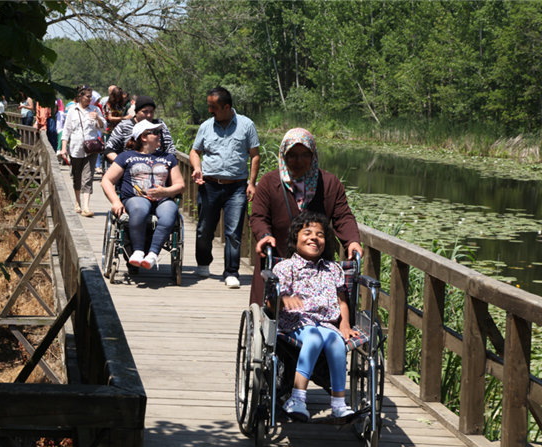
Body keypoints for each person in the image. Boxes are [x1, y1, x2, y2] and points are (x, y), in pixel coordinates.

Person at [249, 127, 363, 306]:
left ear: (313, 155)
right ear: (283, 156)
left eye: (305, 155)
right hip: (279, 259)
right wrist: (264, 235)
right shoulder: (269, 183)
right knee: (271, 312)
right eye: (292, 155)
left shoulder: (330, 184)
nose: (299, 161)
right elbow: (258, 217)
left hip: (318, 267)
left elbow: (343, 217)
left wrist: (352, 241)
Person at [272, 211, 357, 421]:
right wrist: (283, 301)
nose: (314, 237)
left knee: (337, 341)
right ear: (295, 238)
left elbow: (342, 301)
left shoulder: (333, 269)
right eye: (307, 232)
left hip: (326, 322)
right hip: (295, 322)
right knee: (314, 337)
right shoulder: (285, 267)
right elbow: (270, 302)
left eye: (320, 234)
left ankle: (339, 403)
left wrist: (345, 324)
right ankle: (297, 398)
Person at [190, 87, 260, 289]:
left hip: (237, 187)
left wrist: (252, 183)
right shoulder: (206, 126)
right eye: (209, 106)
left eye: (213, 107)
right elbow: (195, 151)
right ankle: (203, 263)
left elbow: (255, 155)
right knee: (204, 229)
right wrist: (197, 168)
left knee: (233, 232)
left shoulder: (246, 125)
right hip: (209, 185)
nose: (210, 111)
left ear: (227, 107)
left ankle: (231, 272)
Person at [101, 120, 185, 270]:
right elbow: (106, 180)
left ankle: (152, 254)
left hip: (162, 199)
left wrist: (165, 191)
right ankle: (138, 252)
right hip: (135, 198)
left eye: (159, 132)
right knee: (140, 207)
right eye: (155, 133)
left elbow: (180, 185)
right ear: (143, 137)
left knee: (170, 212)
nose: (159, 135)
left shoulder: (168, 158)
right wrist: (115, 201)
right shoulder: (126, 157)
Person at [60, 85, 105, 217]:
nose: (90, 99)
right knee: (77, 176)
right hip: (76, 148)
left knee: (88, 176)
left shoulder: (95, 110)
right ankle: (77, 202)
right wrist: (63, 148)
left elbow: (103, 127)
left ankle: (86, 207)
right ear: (80, 96)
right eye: (87, 96)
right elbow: (66, 130)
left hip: (92, 149)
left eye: (91, 97)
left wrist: (97, 118)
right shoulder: (72, 110)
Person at [104, 96, 176, 164]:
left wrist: (166, 164)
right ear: (136, 112)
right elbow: (109, 149)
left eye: (151, 112)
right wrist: (122, 164)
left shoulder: (160, 125)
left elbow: (170, 149)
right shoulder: (124, 126)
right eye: (145, 112)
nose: (149, 115)